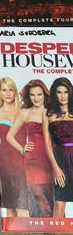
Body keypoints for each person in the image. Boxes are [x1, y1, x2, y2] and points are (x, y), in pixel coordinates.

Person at [7, 80, 53, 217]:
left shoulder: (52, 112)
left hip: (51, 158)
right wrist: (22, 148)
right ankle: (37, 223)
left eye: (39, 94)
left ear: (44, 95)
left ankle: (54, 224)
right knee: (36, 193)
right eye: (32, 95)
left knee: (52, 195)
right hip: (33, 160)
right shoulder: (24, 113)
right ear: (29, 96)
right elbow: (9, 136)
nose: (36, 98)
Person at [0, 77, 29, 217]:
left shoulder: (24, 112)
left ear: (15, 92)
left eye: (11, 90)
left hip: (23, 160)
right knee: (10, 208)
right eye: (4, 90)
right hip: (4, 161)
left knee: (23, 209)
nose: (8, 93)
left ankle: (27, 233)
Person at [43, 77, 73, 218]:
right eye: (59, 92)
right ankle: (56, 232)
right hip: (60, 161)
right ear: (55, 94)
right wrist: (55, 168)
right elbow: (47, 143)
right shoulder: (48, 114)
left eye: (66, 92)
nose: (63, 96)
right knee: (59, 206)